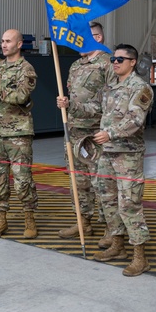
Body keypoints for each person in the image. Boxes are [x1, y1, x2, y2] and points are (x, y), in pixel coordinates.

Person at [90, 44, 155, 276]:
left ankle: (140, 256)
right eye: (113, 59)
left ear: (133, 62)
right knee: (107, 200)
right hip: (106, 152)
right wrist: (68, 103)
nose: (115, 62)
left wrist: (111, 133)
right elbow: (96, 109)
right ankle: (117, 245)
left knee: (129, 204)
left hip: (128, 154)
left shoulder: (140, 87)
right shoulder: (110, 87)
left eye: (120, 59)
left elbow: (135, 120)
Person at [0, 29, 39, 239]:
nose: (3, 45)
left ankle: (29, 219)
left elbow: (21, 96)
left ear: (19, 44)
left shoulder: (26, 69)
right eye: (2, 41)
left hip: (18, 134)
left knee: (22, 179)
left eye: (8, 41)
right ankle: (1, 220)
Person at [55, 21, 112, 242]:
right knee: (78, 181)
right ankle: (83, 222)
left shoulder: (108, 64)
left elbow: (110, 101)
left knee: (102, 182)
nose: (75, 41)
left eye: (80, 37)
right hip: (74, 129)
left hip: (96, 132)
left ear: (97, 38)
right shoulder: (76, 65)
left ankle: (110, 228)